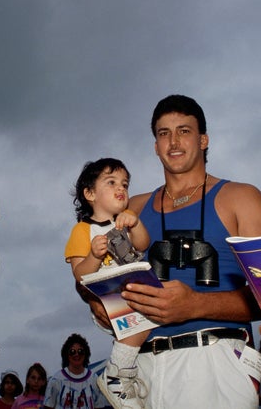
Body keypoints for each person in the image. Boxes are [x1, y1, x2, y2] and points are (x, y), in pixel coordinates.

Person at [85, 94, 261, 408]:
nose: (173, 142)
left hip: (215, 358)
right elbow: (90, 268)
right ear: (155, 145)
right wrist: (97, 302)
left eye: (184, 131)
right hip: (140, 369)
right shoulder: (132, 207)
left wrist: (195, 305)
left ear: (204, 140)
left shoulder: (241, 198)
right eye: (164, 133)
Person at [65, 158, 150, 409]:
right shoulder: (82, 230)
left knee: (151, 319)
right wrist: (94, 256)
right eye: (111, 182)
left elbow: (143, 244)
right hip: (106, 295)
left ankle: (128, 376)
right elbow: (80, 274)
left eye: (125, 183)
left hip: (133, 289)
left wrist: (136, 223)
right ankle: (116, 374)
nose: (121, 188)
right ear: (90, 193)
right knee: (139, 324)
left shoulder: (125, 220)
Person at [44, 333, 108, 409]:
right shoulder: (56, 380)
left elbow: (99, 406)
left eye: (80, 351)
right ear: (66, 355)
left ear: (86, 354)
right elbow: (48, 406)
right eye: (72, 351)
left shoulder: (94, 379)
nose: (77, 354)